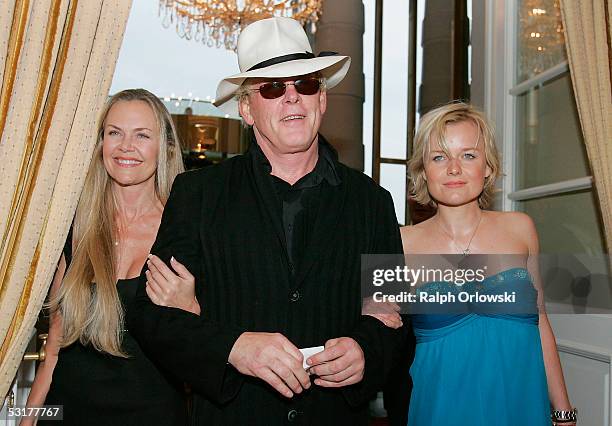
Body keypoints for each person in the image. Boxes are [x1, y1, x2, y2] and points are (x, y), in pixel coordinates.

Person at [127, 17, 408, 425]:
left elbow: (393, 315)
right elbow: (151, 315)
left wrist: (366, 350)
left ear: (322, 100)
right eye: (274, 88)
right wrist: (234, 348)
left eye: (306, 84)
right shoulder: (198, 194)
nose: (292, 98)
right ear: (246, 109)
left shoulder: (374, 202)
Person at [400, 102, 575, 425]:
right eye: (439, 157)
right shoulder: (400, 245)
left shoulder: (520, 229)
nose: (454, 168)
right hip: (441, 409)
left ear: (488, 167)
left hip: (520, 404)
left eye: (468, 155)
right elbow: (375, 332)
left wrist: (563, 410)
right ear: (423, 170)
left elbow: (541, 323)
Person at [23, 89, 189, 425]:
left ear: (165, 147)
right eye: (114, 133)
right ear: (101, 144)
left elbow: (204, 348)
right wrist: (28, 420)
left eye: (142, 135)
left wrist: (191, 309)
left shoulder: (184, 234)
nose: (126, 146)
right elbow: (55, 347)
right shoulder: (78, 227)